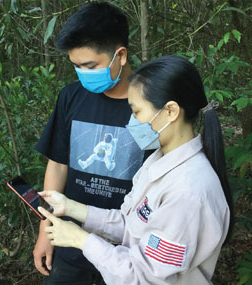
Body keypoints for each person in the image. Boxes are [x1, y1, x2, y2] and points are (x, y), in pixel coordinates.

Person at [38, 55, 234, 285]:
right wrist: (71, 207)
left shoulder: (189, 192)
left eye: (137, 111)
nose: (131, 121)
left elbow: (144, 277)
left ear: (170, 111)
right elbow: (131, 225)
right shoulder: (159, 162)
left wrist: (80, 239)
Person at [33, 2, 150, 284]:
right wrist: (45, 232)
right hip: (70, 244)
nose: (83, 73)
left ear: (120, 55)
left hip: (128, 249)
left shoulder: (150, 104)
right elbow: (58, 164)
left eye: (90, 66)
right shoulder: (72, 97)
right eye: (76, 67)